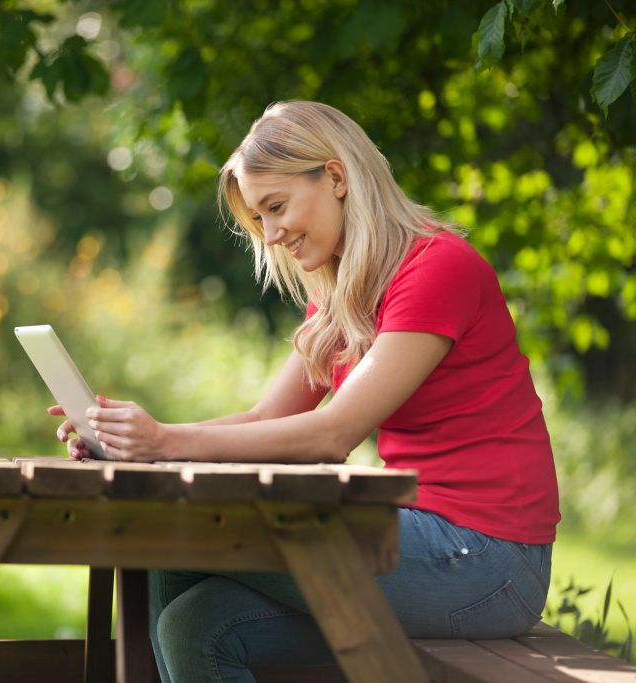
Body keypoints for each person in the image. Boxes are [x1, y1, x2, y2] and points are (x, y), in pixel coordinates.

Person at [48, 100, 559, 683]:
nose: (271, 235)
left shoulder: (438, 267)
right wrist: (130, 438)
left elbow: (331, 434)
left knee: (185, 533)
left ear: (336, 178)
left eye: (277, 207)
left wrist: (164, 442)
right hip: (410, 538)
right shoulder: (344, 289)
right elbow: (267, 415)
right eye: (260, 218)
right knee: (193, 626)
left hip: (487, 563)